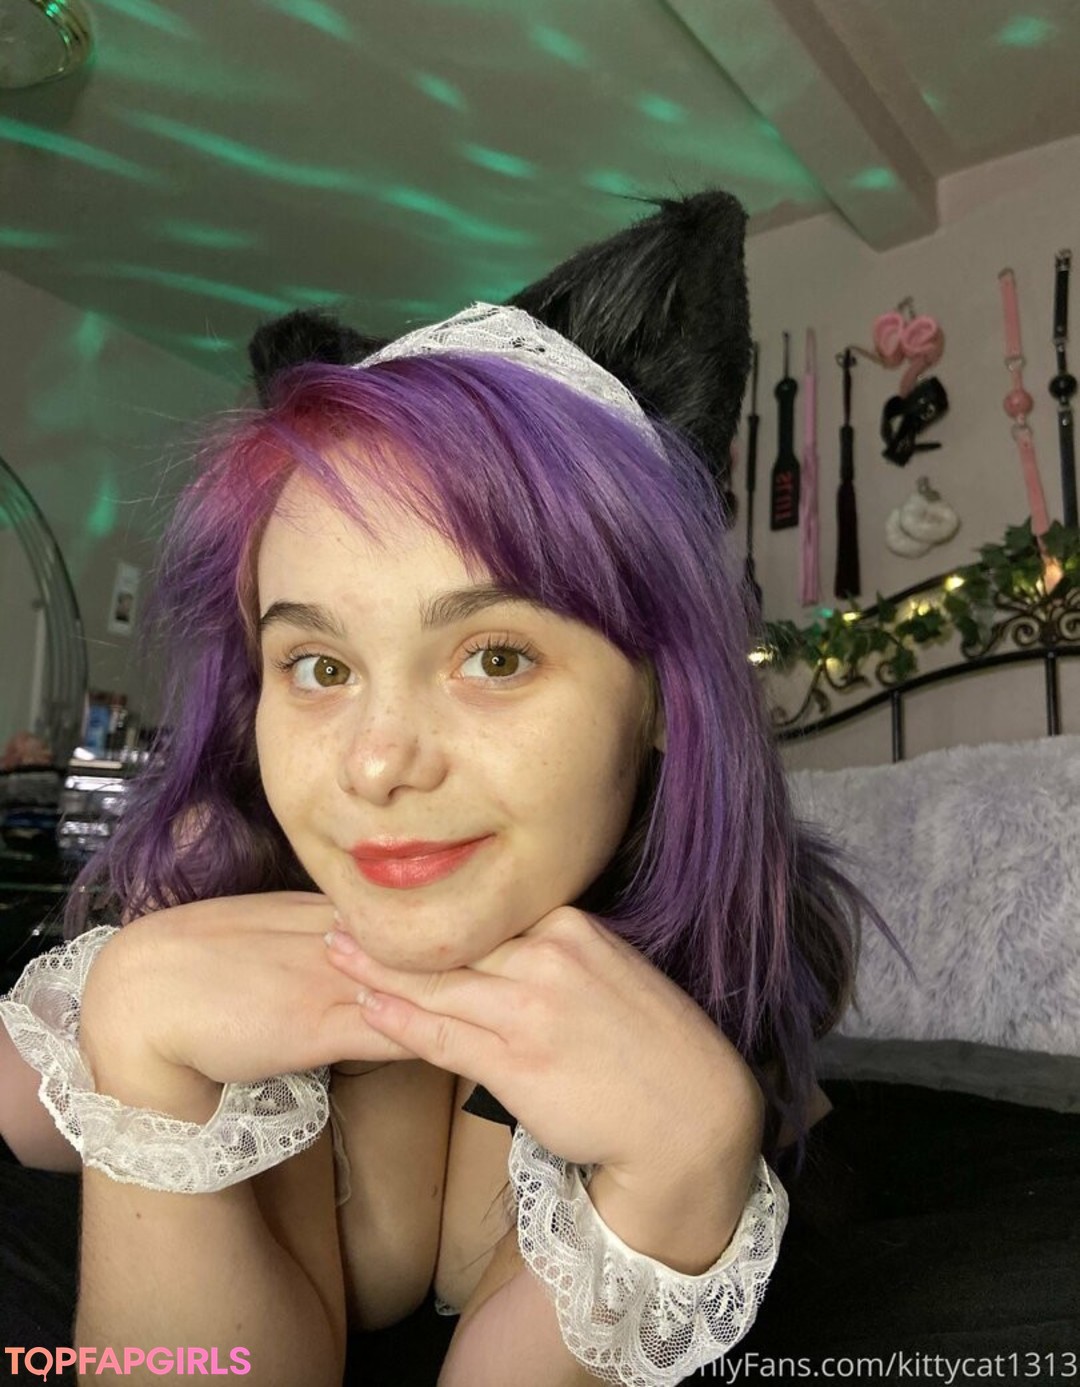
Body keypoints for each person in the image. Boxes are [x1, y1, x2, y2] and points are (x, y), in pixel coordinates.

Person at [0, 203, 893, 1386]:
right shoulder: (211, 884)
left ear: (664, 696)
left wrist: (681, 1181)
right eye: (319, 667)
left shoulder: (722, 978)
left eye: (496, 655)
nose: (375, 764)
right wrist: (139, 1034)